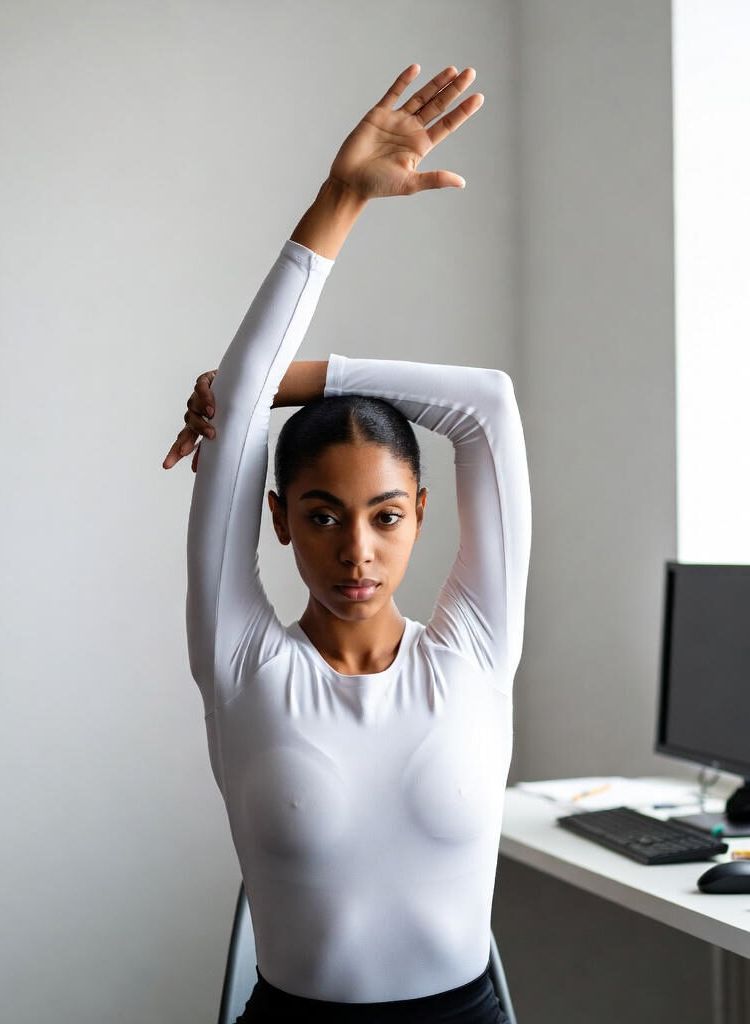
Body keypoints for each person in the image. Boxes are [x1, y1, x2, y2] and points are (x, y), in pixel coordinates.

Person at [163, 63, 531, 1024]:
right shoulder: (241, 661)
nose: (355, 551)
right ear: (278, 518)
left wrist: (300, 381)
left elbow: (487, 403)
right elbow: (235, 402)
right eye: (322, 515)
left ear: (420, 511)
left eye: (385, 516)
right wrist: (341, 198)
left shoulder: (477, 653)